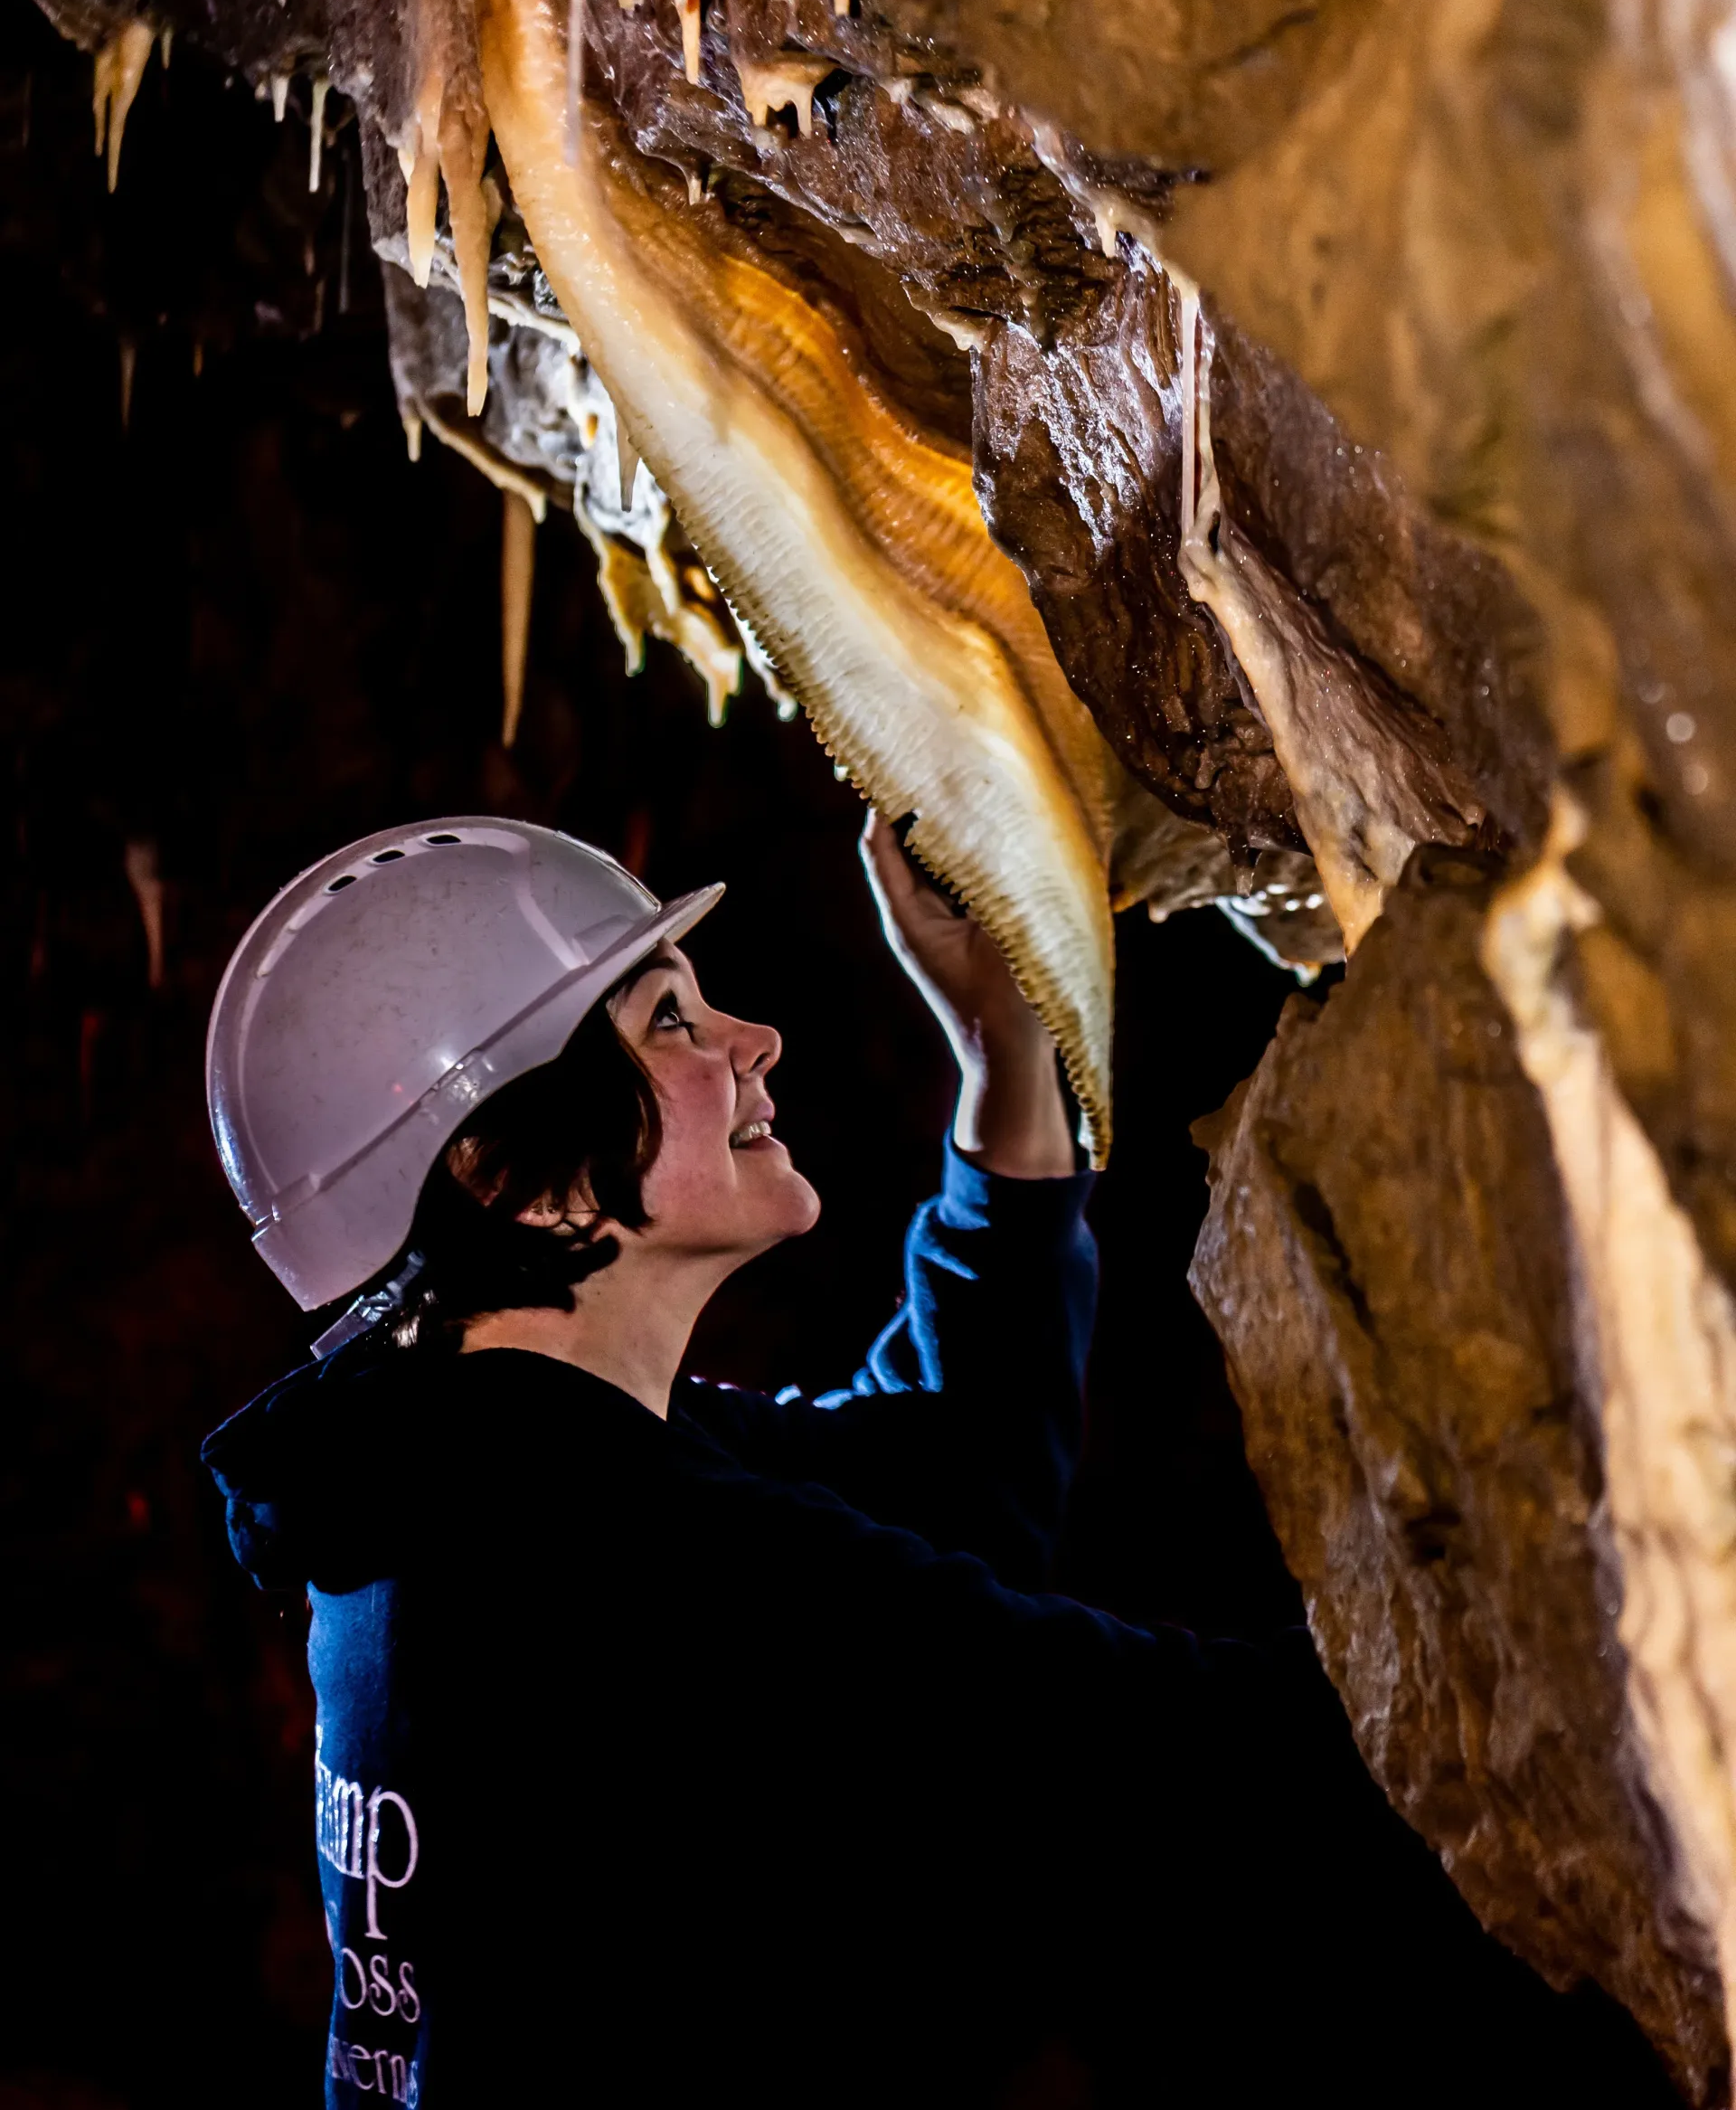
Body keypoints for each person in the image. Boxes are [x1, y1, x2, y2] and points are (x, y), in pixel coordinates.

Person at [201, 814, 1643, 2108]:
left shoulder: (459, 1486)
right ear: (503, 1170)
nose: (749, 1039)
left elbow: (950, 1486)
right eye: (668, 1023)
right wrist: (1622, 1613)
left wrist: (1006, 1056)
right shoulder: (612, 1564)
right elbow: (1184, 1769)